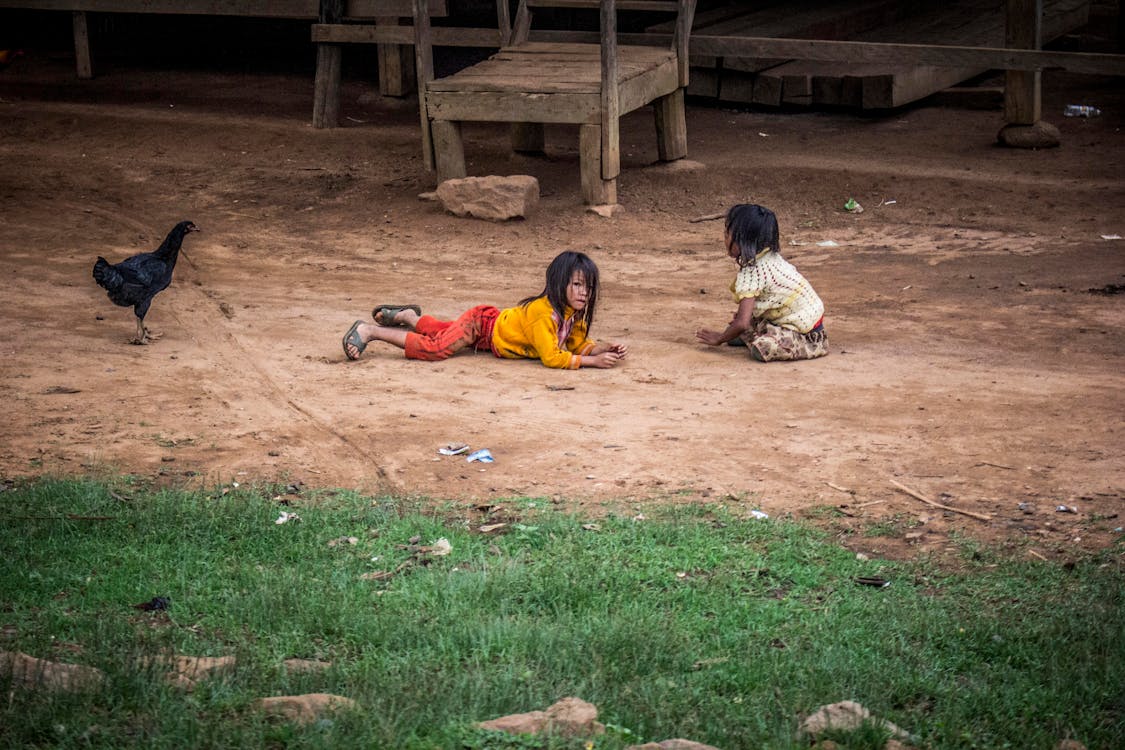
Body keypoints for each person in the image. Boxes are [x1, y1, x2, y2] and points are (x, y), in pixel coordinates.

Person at [342, 250, 628, 369]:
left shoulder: (572, 314)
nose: (583, 293)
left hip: (493, 335)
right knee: (435, 349)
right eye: (577, 285)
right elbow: (552, 357)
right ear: (559, 283)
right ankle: (370, 331)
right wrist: (592, 363)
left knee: (441, 332)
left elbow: (576, 344)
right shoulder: (544, 313)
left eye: (588, 287)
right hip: (483, 325)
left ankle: (408, 316)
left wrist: (603, 349)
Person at [695, 204, 828, 362]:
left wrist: (720, 338)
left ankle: (755, 337)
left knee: (761, 348)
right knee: (740, 326)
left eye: (727, 234)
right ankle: (752, 334)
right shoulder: (768, 256)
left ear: (743, 240)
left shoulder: (753, 272)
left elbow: (743, 323)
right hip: (793, 319)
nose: (724, 239)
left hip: (805, 334)